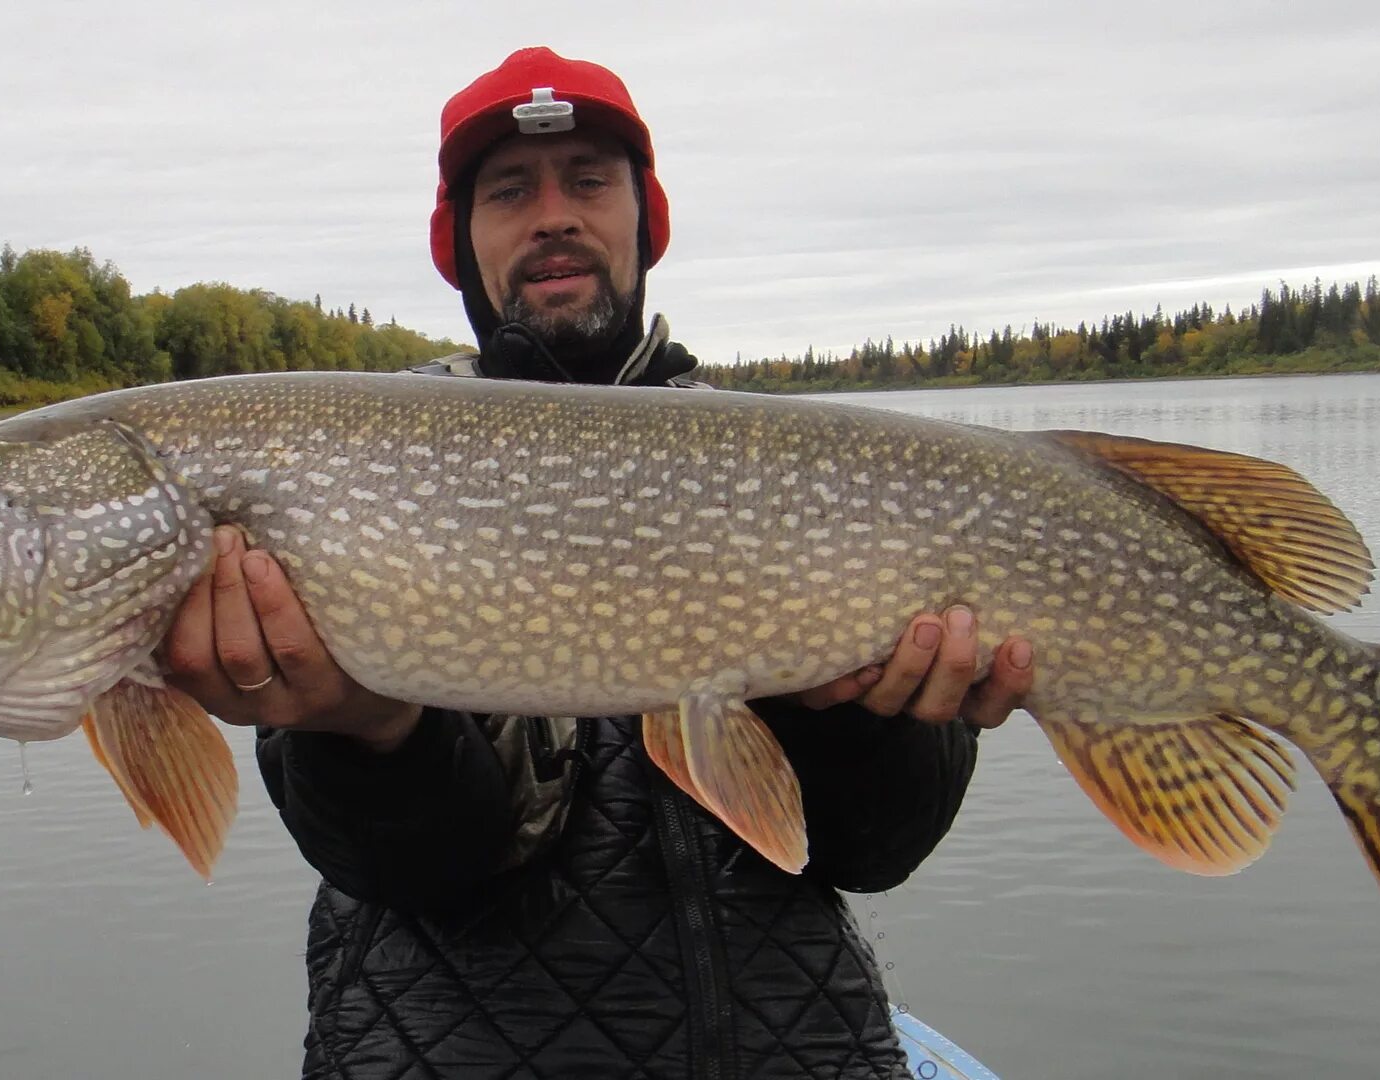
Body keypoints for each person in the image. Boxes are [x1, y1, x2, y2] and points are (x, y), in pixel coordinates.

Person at [164, 46, 1037, 1080]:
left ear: (642, 218)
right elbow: (409, 867)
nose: (552, 216)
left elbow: (876, 848)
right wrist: (368, 731)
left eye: (588, 180)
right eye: (508, 190)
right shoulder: (350, 465)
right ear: (461, 240)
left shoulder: (786, 468)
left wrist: (844, 706)